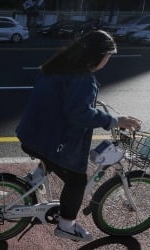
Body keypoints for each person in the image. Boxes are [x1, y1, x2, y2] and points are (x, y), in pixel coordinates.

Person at [16, 30, 141, 242]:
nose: (108, 61)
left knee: (51, 160)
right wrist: (115, 121)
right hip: (49, 140)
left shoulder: (57, 67)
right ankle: (66, 226)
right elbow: (79, 115)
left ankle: (29, 184)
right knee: (77, 181)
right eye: (108, 56)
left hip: (32, 132)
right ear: (98, 56)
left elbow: (65, 100)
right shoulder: (83, 79)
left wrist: (96, 108)